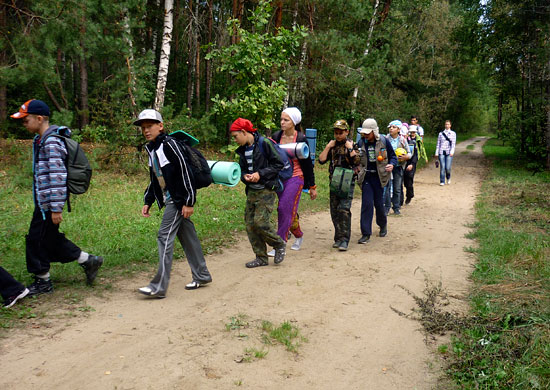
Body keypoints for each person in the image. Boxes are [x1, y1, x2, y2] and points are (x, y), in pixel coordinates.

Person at [10, 99, 103, 296]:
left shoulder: (51, 142)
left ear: (39, 118)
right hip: (44, 202)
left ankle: (43, 281)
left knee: (36, 239)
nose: (23, 124)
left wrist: (56, 207)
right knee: (50, 239)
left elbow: (57, 177)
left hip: (48, 205)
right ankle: (88, 260)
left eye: (26, 120)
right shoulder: (42, 140)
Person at [136, 109, 212, 298]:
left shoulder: (170, 145)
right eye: (143, 127)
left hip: (177, 199)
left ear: (160, 126)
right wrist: (149, 200)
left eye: (150, 126)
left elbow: (185, 172)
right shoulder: (152, 149)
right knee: (187, 236)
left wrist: (188, 201)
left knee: (164, 236)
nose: (146, 130)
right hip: (171, 198)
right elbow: (156, 177)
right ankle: (201, 275)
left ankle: (158, 287)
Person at [231, 118, 287, 268]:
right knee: (250, 225)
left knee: (260, 222)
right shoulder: (242, 150)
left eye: (236, 136)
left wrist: (260, 174)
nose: (235, 140)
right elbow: (242, 169)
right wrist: (244, 176)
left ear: (244, 132)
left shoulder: (264, 143)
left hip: (266, 189)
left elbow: (278, 164)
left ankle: (279, 244)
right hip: (252, 191)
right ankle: (261, 257)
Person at [269, 107, 317, 253]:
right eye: (281, 119)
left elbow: (308, 165)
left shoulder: (301, 139)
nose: (282, 122)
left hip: (296, 177)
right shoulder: (277, 136)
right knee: (288, 212)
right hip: (280, 177)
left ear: (294, 122)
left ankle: (279, 244)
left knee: (283, 208)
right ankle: (299, 235)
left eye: (286, 120)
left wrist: (312, 187)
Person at [318, 119, 360, 251]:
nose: (338, 135)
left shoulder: (352, 144)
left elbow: (357, 161)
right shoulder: (333, 146)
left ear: (347, 132)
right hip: (335, 180)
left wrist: (350, 148)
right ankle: (338, 237)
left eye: (341, 132)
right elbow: (321, 160)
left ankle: (345, 239)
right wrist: (328, 147)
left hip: (347, 180)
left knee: (344, 209)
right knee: (334, 210)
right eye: (336, 133)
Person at [356, 119, 397, 244]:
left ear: (374, 131)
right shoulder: (361, 142)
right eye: (364, 133)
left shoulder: (384, 141)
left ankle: (382, 224)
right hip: (367, 177)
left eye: (368, 133)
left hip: (380, 178)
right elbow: (355, 158)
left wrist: (392, 164)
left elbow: (393, 156)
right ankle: (366, 233)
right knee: (367, 204)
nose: (366, 135)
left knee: (379, 204)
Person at [384, 120, 411, 215]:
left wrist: (406, 157)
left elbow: (409, 153)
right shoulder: (385, 139)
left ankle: (396, 207)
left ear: (399, 129)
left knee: (397, 187)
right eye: (390, 127)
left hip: (399, 167)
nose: (391, 128)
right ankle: (386, 207)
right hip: (387, 167)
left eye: (394, 127)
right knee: (387, 187)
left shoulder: (403, 140)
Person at [435, 120, 456, 186]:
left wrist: (452, 152)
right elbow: (438, 144)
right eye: (446, 124)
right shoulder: (440, 134)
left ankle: (448, 177)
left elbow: (453, 144)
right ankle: (442, 181)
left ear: (450, 125)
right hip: (441, 151)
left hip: (449, 152)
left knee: (448, 167)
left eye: (448, 124)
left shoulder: (453, 133)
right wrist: (436, 152)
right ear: (445, 125)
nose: (447, 125)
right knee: (442, 167)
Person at [403, 125, 420, 204]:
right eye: (411, 132)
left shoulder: (418, 141)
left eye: (414, 132)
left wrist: (412, 164)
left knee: (409, 180)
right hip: (403, 162)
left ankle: (409, 195)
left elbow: (416, 154)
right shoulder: (405, 140)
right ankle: (399, 200)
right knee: (402, 181)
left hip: (411, 163)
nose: (412, 133)